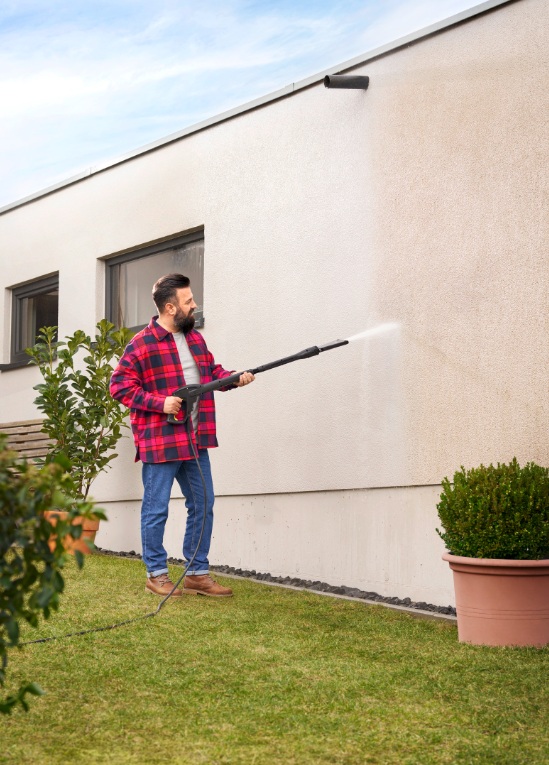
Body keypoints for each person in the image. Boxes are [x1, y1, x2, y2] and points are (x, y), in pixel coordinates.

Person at [109, 273, 255, 598]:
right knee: (156, 509)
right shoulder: (141, 344)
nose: (194, 305)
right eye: (189, 301)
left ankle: (197, 574)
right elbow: (118, 386)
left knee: (203, 504)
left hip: (195, 438)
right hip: (160, 440)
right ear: (170, 307)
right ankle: (156, 574)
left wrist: (233, 378)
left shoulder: (195, 339)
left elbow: (212, 373)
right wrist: (159, 403)